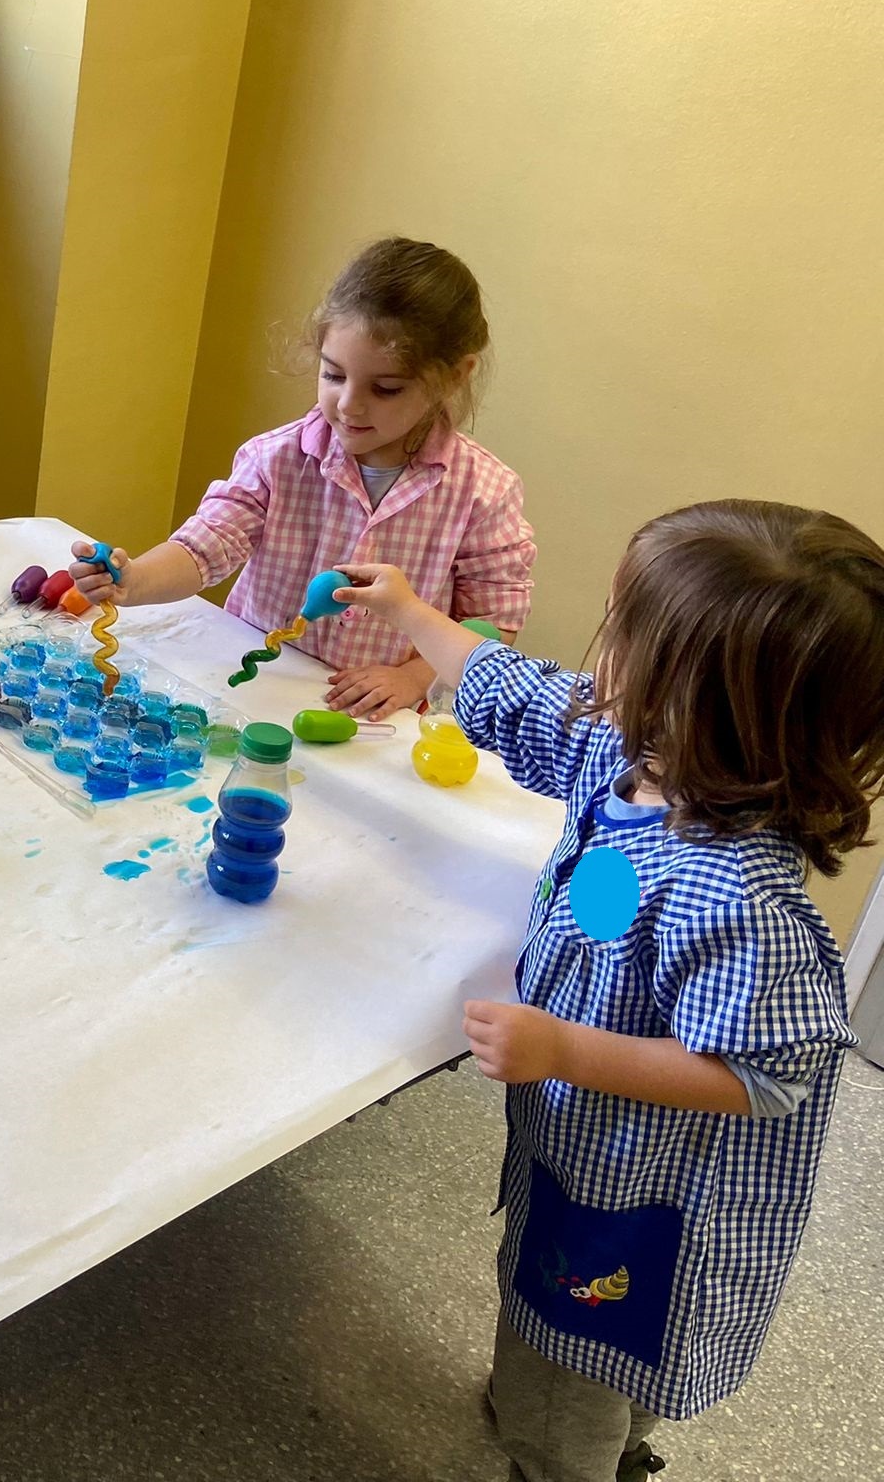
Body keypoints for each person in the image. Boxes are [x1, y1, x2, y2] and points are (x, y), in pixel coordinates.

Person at [334, 499, 884, 1481]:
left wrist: (565, 1049)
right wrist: (411, 612)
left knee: (571, 1358)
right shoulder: (629, 753)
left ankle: (561, 1457)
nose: (601, 643)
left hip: (640, 1181)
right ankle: (604, 1436)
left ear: (695, 699)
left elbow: (760, 1074)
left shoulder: (731, 892)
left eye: (624, 626)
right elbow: (516, 689)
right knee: (603, 1348)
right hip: (584, 1145)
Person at [71, 236, 534, 720]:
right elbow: (207, 545)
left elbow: (493, 623)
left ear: (455, 376)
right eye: (333, 375)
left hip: (376, 717)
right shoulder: (276, 457)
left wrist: (414, 677)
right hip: (253, 694)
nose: (349, 405)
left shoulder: (484, 493)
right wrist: (134, 580)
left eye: (385, 389)